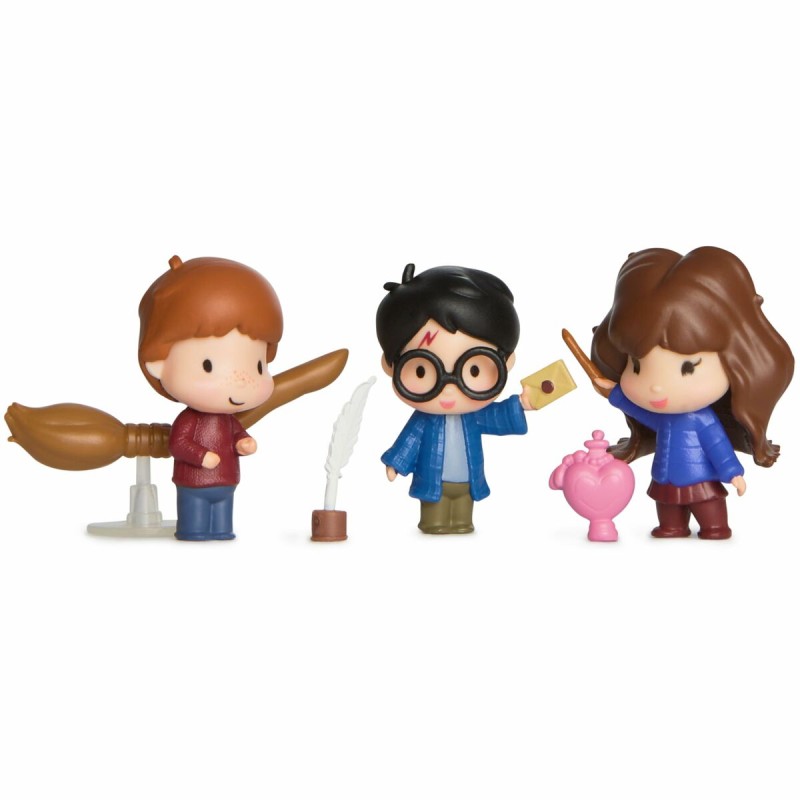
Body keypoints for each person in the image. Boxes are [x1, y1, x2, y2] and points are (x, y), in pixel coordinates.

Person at [590, 246, 794, 539]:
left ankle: (714, 526)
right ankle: (672, 526)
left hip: (701, 480)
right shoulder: (665, 419)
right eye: (637, 365)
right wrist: (615, 394)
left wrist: (733, 473)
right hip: (665, 479)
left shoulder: (702, 419)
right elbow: (643, 414)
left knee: (708, 505)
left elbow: (717, 445)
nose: (656, 387)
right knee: (667, 507)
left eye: (688, 368)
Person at [377, 263, 534, 534]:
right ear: (391, 366)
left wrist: (520, 404)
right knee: (435, 515)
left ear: (506, 363)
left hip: (467, 480)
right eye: (423, 370)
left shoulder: (474, 415)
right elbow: (411, 438)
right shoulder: (425, 419)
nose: (449, 389)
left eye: (473, 370)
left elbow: (494, 416)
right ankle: (434, 521)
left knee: (462, 515)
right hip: (433, 480)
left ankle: (461, 521)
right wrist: (396, 463)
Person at [138, 255, 283, 540]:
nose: (240, 381)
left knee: (222, 523)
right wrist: (201, 456)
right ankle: (193, 530)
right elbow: (178, 444)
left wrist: (243, 441)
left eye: (258, 366)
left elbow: (235, 433)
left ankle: (221, 530)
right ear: (158, 362)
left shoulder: (228, 421)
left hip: (226, 481)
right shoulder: (189, 420)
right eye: (208, 365)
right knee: (195, 521)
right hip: (194, 482)